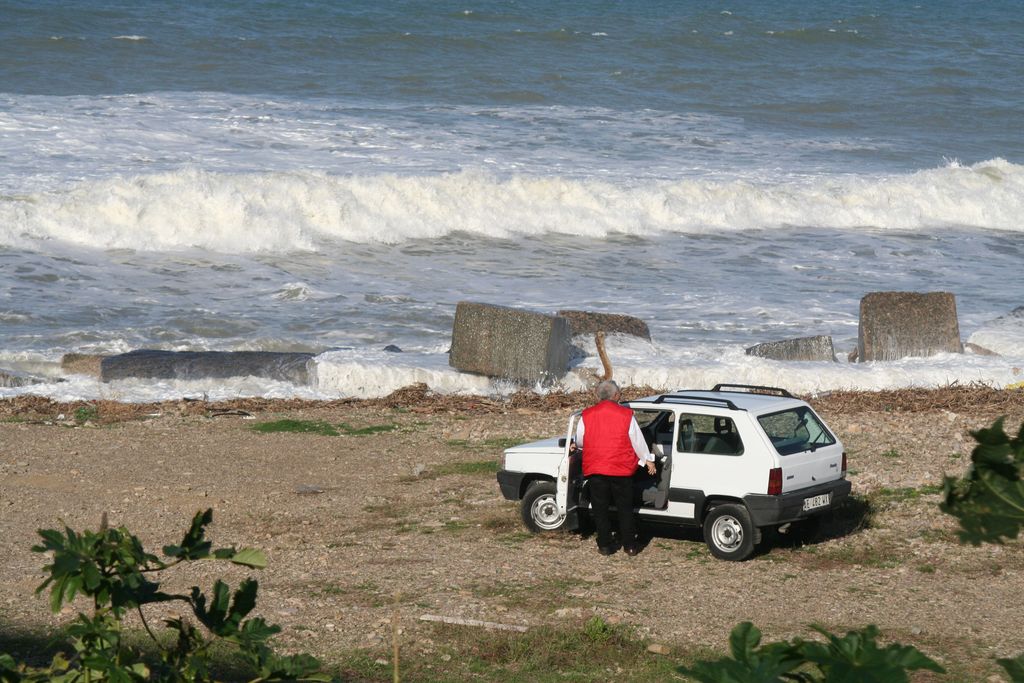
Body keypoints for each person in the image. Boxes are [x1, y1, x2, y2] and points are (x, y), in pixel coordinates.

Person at [571, 379, 656, 556]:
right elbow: (637, 440)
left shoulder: (587, 415)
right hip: (621, 468)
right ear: (616, 395)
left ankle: (604, 544)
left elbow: (580, 441)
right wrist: (647, 460)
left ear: (597, 396)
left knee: (600, 509)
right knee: (625, 508)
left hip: (596, 468)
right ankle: (629, 545)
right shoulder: (626, 415)